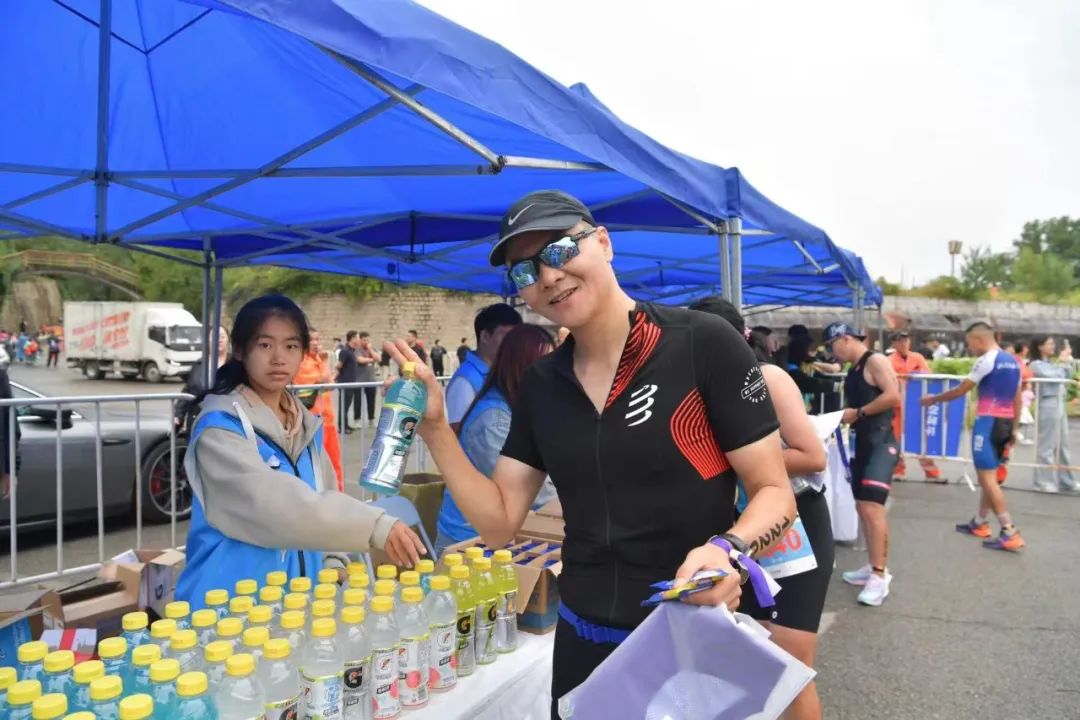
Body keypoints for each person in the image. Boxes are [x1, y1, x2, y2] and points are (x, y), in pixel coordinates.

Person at [383, 190, 795, 717]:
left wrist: (727, 550)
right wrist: (437, 429)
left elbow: (774, 492)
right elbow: (499, 525)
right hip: (582, 643)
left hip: (688, 634)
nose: (548, 276)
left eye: (559, 250)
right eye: (525, 270)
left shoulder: (702, 343)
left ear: (603, 242)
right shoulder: (541, 385)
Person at [175, 294, 425, 607]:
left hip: (293, 609)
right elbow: (274, 505)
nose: (279, 358)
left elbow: (324, 494)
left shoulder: (303, 423)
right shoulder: (220, 429)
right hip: (228, 611)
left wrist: (333, 560)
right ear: (240, 350)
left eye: (291, 346)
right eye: (265, 345)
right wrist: (374, 525)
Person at [691, 297, 832, 720]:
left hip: (794, 527)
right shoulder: (694, 388)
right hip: (741, 533)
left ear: (740, 338)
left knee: (790, 663)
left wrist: (738, 459)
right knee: (749, 654)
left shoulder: (767, 377)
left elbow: (812, 455)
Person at [435, 324, 557, 555]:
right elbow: (533, 491)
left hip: (500, 536)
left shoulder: (522, 406)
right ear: (521, 366)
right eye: (545, 364)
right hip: (469, 543)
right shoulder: (494, 419)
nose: (553, 373)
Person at [921, 322, 1026, 551]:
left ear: (979, 339)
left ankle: (1009, 531)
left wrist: (933, 399)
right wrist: (1015, 428)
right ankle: (980, 522)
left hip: (987, 423)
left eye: (970, 343)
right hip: (1005, 423)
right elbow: (1018, 397)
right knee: (989, 476)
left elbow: (961, 389)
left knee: (987, 478)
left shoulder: (986, 360)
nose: (970, 348)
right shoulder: (1014, 362)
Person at [826, 322, 901, 606]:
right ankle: (872, 565)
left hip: (881, 442)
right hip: (864, 442)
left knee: (871, 507)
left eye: (832, 345)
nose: (832, 352)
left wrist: (858, 412)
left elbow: (893, 396)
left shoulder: (875, 360)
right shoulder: (855, 367)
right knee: (862, 507)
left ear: (845, 339)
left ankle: (880, 575)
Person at [444, 303, 523, 433]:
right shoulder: (465, 381)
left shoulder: (504, 374)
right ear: (485, 336)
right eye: (507, 336)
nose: (513, 343)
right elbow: (457, 432)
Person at [888, 331, 943, 482]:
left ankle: (932, 473)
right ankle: (898, 471)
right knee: (896, 438)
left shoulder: (917, 357)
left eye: (906, 340)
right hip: (897, 406)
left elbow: (926, 373)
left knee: (921, 438)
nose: (903, 343)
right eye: (899, 341)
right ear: (893, 344)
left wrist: (911, 375)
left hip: (915, 405)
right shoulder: (889, 360)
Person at [294, 329, 344, 491]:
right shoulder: (301, 362)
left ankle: (338, 495)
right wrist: (324, 362)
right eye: (311, 340)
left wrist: (322, 362)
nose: (316, 343)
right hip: (312, 421)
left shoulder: (317, 359)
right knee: (315, 463)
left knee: (334, 462)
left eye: (317, 339)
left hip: (327, 419)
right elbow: (324, 382)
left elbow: (329, 384)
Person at [1029, 335, 1078, 493]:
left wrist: (1067, 361)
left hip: (1059, 402)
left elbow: (1067, 374)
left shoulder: (1051, 364)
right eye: (1049, 344)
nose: (1052, 346)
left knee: (1063, 445)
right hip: (1048, 403)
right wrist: (1063, 362)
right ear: (1040, 346)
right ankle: (1043, 482)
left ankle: (1067, 481)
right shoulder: (1036, 364)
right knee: (1047, 445)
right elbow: (1057, 376)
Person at [176, 327, 231, 433]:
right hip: (198, 420)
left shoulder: (235, 364)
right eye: (214, 336)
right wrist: (178, 415)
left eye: (222, 336)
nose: (218, 340)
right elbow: (188, 390)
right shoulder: (199, 364)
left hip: (226, 423)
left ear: (228, 340)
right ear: (208, 340)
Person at [336, 330, 362, 432]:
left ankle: (345, 425)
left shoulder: (351, 351)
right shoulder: (345, 351)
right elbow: (338, 365)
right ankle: (342, 427)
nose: (359, 340)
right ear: (353, 338)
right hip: (345, 382)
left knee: (347, 405)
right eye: (358, 338)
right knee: (343, 404)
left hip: (351, 382)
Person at [354, 332, 380, 426]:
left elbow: (378, 358)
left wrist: (370, 349)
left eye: (368, 340)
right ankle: (357, 420)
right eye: (364, 340)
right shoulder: (357, 350)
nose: (366, 342)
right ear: (360, 340)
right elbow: (360, 360)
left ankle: (371, 419)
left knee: (371, 401)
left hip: (371, 380)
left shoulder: (373, 349)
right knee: (358, 401)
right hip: (359, 381)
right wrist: (372, 360)